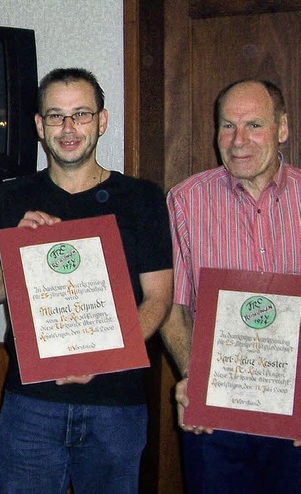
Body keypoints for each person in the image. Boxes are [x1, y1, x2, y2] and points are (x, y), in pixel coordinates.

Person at [0, 67, 173, 493]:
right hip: (30, 403)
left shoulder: (142, 199)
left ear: (101, 120)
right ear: (40, 126)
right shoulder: (12, 196)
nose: (68, 128)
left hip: (116, 404)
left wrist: (100, 360)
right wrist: (15, 257)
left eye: (80, 115)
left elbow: (158, 299)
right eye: (56, 116)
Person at [161, 79, 301, 493]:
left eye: (254, 125)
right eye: (227, 126)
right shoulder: (186, 200)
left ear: (282, 129)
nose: (238, 141)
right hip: (216, 417)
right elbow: (173, 305)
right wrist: (193, 375)